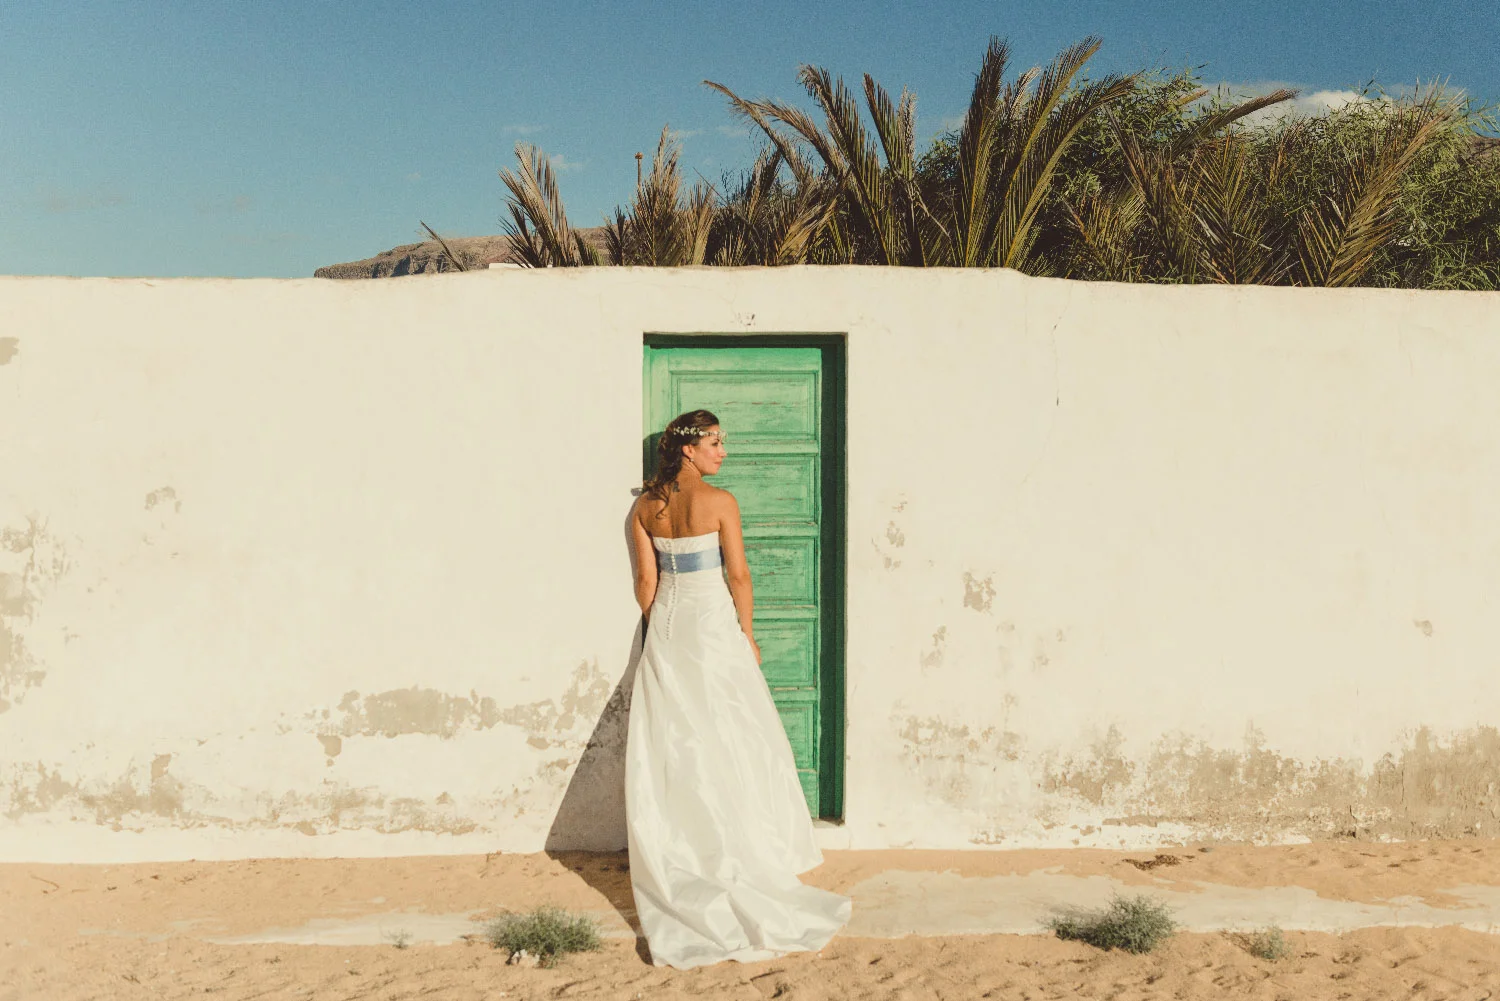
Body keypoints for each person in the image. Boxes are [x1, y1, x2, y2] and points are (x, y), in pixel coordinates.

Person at [624, 408, 851, 969]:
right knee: (731, 733)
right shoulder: (720, 502)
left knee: (678, 740)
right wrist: (747, 633)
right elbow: (739, 575)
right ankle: (740, 846)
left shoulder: (644, 507)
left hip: (669, 630)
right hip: (714, 629)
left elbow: (647, 583)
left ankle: (691, 847)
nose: (723, 452)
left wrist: (659, 636)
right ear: (689, 449)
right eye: (715, 443)